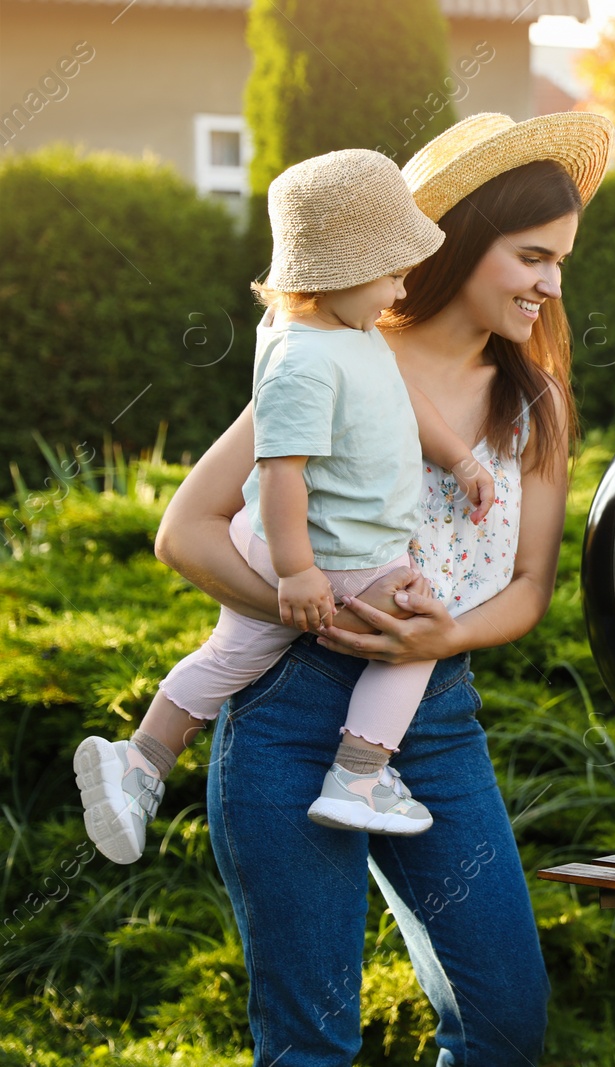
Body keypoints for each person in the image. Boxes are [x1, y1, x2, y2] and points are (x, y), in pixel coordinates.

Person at [150, 111, 612, 1063]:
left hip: (435, 722)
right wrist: (309, 609)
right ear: (459, 244)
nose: (551, 284)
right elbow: (185, 531)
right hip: (288, 713)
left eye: (561, 260)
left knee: (504, 1021)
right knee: (314, 1041)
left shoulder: (538, 400)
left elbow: (529, 589)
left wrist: (435, 643)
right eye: (533, 256)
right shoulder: (338, 353)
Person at [74, 149, 502, 861]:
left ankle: (141, 759)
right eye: (393, 272)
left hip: (295, 549)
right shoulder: (302, 360)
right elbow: (280, 472)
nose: (402, 288)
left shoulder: (351, 333)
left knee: (228, 657)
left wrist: (457, 456)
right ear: (340, 270)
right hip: (334, 553)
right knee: (414, 631)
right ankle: (360, 774)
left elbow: (401, 398)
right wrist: (300, 573)